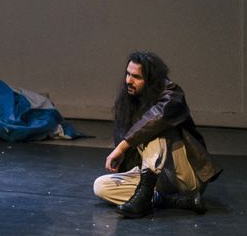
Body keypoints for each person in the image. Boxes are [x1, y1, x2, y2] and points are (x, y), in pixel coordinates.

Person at [93, 51, 223, 218]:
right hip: (156, 180)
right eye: (128, 74)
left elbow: (157, 118)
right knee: (101, 186)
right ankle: (168, 200)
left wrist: (121, 148)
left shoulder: (172, 93)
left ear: (151, 80)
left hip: (185, 177)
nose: (128, 81)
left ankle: (149, 199)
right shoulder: (127, 101)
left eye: (136, 77)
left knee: (153, 129)